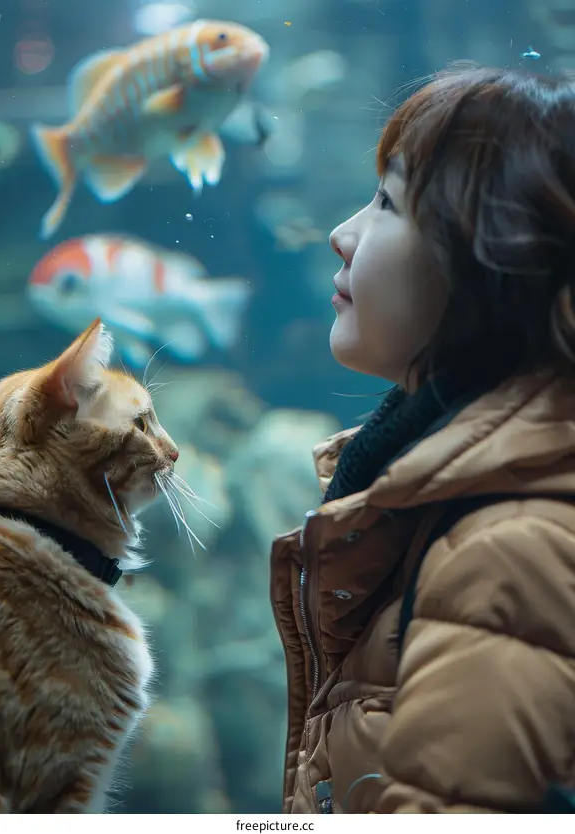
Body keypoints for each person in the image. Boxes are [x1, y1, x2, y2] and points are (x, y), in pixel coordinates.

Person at [269, 64, 575, 814]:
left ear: (491, 262)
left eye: (388, 202)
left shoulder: (507, 551)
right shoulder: (443, 503)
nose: (342, 234)